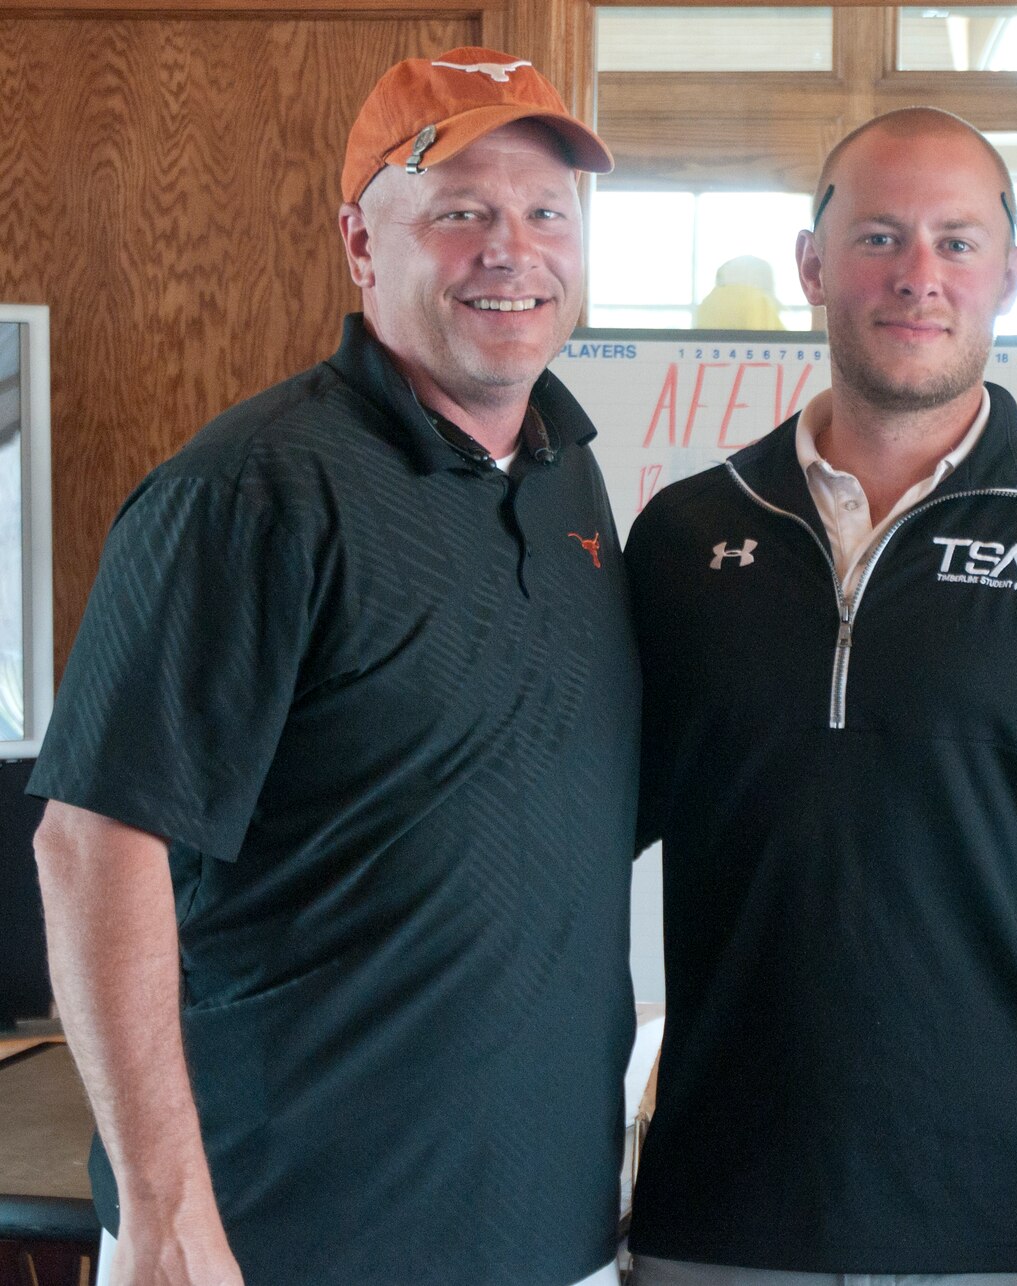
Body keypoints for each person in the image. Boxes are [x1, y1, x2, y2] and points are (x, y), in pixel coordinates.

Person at [31, 47, 639, 1286]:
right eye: (459, 211)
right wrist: (164, 1213)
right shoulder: (250, 489)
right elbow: (92, 842)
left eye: (543, 213)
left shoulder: (566, 475)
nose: (508, 249)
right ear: (363, 244)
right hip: (278, 1236)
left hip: (543, 1231)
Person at [622, 107, 1017, 1286]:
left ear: (1010, 275)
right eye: (879, 236)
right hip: (720, 1227)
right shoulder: (684, 538)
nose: (918, 276)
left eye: (957, 242)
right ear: (812, 264)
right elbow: (563, 839)